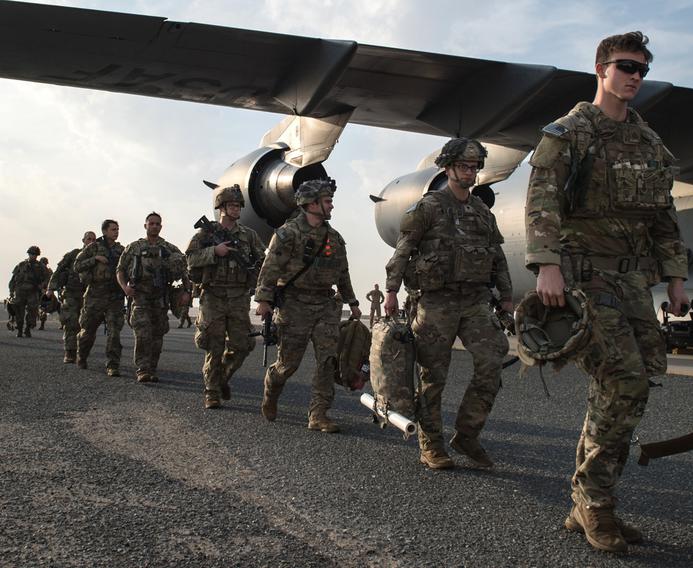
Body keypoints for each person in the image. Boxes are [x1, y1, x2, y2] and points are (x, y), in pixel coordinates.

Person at [524, 31, 689, 553]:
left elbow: (664, 214)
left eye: (642, 68)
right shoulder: (570, 133)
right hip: (587, 279)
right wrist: (546, 266)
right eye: (625, 66)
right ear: (601, 69)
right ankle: (594, 504)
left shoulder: (650, 143)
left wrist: (676, 275)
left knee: (628, 389)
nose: (634, 76)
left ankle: (590, 503)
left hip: (634, 283)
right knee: (625, 383)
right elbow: (542, 200)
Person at [384, 138, 512, 470]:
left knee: (493, 357)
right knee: (433, 376)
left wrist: (507, 298)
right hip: (436, 303)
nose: (470, 173)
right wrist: (391, 291)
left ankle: (467, 434)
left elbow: (497, 258)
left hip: (474, 302)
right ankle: (432, 445)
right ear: (448, 167)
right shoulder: (428, 207)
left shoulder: (482, 211)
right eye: (464, 167)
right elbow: (403, 250)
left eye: (474, 167)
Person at [255, 178, 361, 430]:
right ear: (311, 204)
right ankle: (272, 388)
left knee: (328, 361)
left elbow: (342, 272)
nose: (332, 206)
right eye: (327, 201)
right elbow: (270, 268)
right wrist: (264, 299)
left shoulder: (334, 238)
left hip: (325, 305)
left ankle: (318, 414)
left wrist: (353, 302)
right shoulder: (287, 234)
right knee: (288, 365)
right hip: (294, 305)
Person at [186, 184, 265, 409]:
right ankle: (211, 391)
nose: (236, 208)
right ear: (221, 207)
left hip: (239, 297)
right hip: (213, 295)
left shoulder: (249, 235)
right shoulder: (205, 234)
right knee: (214, 345)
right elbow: (190, 259)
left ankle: (221, 379)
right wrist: (214, 251)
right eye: (231, 205)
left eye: (238, 205)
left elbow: (263, 263)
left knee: (244, 344)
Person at [117, 212, 190, 383]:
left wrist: (187, 292)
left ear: (161, 226)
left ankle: (152, 368)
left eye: (157, 224)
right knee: (143, 334)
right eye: (151, 223)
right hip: (140, 296)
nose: (154, 226)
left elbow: (184, 270)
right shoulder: (134, 247)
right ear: (145, 225)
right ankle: (142, 369)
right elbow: (120, 269)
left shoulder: (169, 249)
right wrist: (125, 287)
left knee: (157, 336)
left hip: (160, 298)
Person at [74, 220, 126, 376]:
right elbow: (77, 266)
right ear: (104, 231)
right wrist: (94, 259)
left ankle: (112, 365)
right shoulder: (93, 247)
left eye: (117, 229)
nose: (116, 232)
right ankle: (82, 356)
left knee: (114, 333)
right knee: (87, 332)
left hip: (114, 297)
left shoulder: (121, 250)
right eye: (113, 229)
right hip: (95, 296)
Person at [47, 231, 95, 362]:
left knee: (85, 325)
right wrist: (50, 288)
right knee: (71, 322)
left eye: (93, 239)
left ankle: (82, 352)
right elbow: (59, 270)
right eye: (88, 239)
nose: (91, 241)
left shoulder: (98, 257)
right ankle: (70, 352)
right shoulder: (73, 255)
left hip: (90, 295)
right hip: (71, 293)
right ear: (83, 240)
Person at [8, 245, 49, 337]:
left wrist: (42, 286)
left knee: (32, 312)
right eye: (31, 254)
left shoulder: (41, 267)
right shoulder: (21, 265)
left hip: (32, 292)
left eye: (34, 254)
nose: (32, 256)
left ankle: (27, 329)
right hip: (20, 292)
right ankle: (19, 330)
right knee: (19, 312)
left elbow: (47, 278)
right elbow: (13, 279)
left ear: (37, 255)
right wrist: (11, 291)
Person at [36, 257, 53, 330]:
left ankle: (42, 324)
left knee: (44, 308)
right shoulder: (37, 270)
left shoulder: (48, 271)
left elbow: (51, 281)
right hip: (39, 291)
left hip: (45, 291)